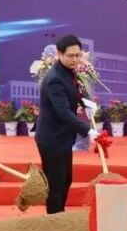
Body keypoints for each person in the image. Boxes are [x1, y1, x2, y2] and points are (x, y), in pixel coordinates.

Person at [35, 34, 96, 214]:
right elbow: (63, 112)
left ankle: (59, 215)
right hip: (52, 139)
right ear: (59, 54)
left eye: (78, 55)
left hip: (62, 137)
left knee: (66, 180)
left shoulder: (68, 71)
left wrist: (86, 103)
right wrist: (88, 130)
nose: (75, 59)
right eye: (70, 56)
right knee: (56, 184)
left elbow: (73, 93)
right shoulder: (54, 78)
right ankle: (54, 221)